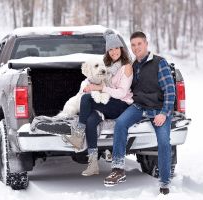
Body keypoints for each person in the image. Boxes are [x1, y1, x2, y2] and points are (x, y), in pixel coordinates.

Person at [103, 31, 176, 195]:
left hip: (158, 109)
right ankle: (118, 168)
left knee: (164, 142)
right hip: (139, 106)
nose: (136, 48)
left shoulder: (159, 63)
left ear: (146, 44)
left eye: (139, 44)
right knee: (120, 123)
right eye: (133, 45)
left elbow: (170, 92)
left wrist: (164, 113)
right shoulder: (133, 66)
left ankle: (164, 182)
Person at [63, 29, 133, 176]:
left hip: (121, 105)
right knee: (91, 119)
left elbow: (121, 93)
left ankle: (78, 135)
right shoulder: (107, 66)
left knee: (86, 98)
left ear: (121, 49)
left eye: (116, 48)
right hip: (108, 103)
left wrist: (101, 88)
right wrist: (95, 87)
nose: (113, 52)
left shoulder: (126, 67)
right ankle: (93, 164)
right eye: (110, 49)